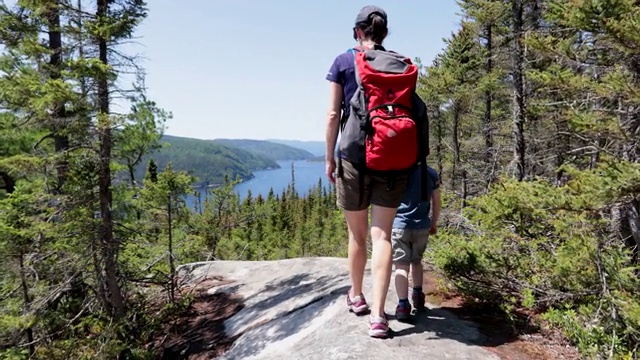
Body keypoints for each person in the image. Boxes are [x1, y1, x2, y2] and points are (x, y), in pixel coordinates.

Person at [324, 5, 428, 338]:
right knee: (381, 234)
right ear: (384, 34)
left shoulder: (344, 61)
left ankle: (356, 298)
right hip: (394, 157)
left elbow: (331, 115)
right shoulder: (400, 63)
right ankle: (380, 317)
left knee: (357, 235)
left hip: (354, 156)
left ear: (357, 32)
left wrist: (329, 158)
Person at [391, 165, 441, 321]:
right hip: (422, 226)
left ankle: (403, 305)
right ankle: (418, 295)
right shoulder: (431, 173)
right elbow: (436, 201)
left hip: (400, 225)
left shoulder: (396, 172)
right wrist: (433, 223)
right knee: (417, 262)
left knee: (401, 266)